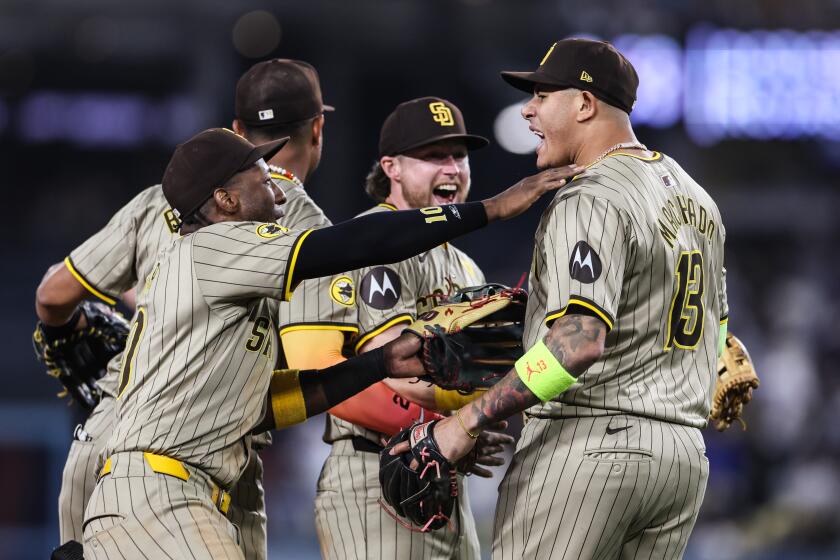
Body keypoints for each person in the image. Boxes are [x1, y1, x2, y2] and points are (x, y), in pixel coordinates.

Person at [80, 127, 581, 559]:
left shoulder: (231, 281)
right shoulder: (212, 248)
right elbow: (353, 245)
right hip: (159, 488)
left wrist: (380, 361)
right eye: (261, 175)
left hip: (169, 489)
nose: (277, 184)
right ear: (225, 201)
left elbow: (280, 402)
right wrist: (490, 209)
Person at [400, 38, 727, 559]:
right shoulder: (696, 197)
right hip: (682, 458)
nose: (529, 109)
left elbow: (579, 343)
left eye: (542, 95)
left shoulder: (591, 194)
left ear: (584, 104)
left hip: (591, 446)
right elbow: (723, 341)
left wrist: (466, 421)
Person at [36, 58, 335, 559]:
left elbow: (52, 294)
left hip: (110, 439)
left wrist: (84, 328)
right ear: (319, 128)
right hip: (213, 457)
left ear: (237, 130)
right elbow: (314, 357)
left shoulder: (164, 199)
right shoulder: (308, 225)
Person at [287, 96, 508, 559]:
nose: (451, 168)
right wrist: (460, 426)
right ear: (392, 167)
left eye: (459, 155)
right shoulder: (368, 243)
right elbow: (381, 373)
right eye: (433, 156)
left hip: (444, 475)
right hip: (375, 473)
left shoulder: (465, 268)